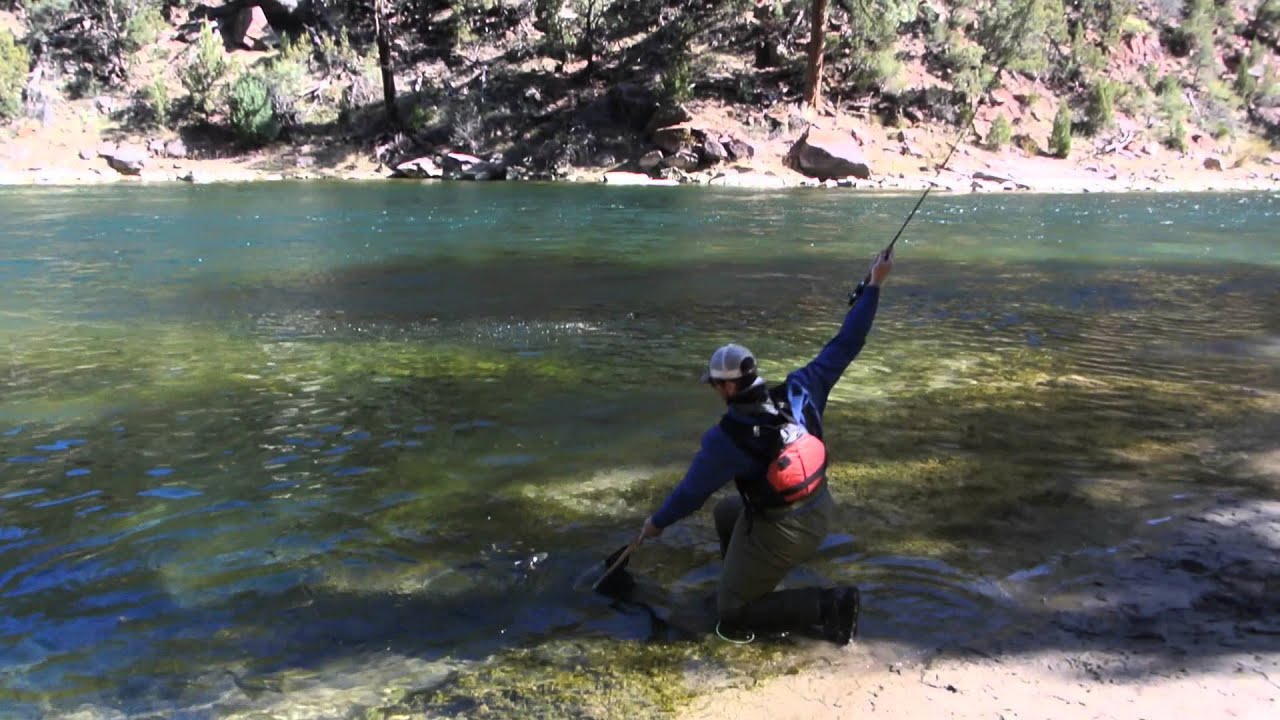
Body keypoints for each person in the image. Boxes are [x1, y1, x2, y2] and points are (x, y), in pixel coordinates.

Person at [638, 249, 895, 645]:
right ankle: (743, 578)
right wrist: (874, 284)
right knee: (727, 512)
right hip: (820, 507)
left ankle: (831, 605)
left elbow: (690, 494)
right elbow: (847, 342)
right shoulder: (801, 388)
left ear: (726, 387)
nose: (713, 391)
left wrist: (655, 525)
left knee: (731, 614)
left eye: (713, 384)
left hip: (787, 529)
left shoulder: (726, 437)